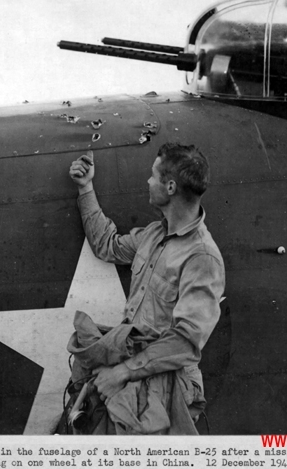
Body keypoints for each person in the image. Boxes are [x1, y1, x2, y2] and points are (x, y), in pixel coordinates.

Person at [68, 143, 225, 432]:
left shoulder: (202, 257)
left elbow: (186, 342)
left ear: (170, 187)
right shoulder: (154, 234)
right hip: (130, 381)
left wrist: (122, 373)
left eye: (153, 176)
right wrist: (85, 189)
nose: (147, 181)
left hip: (167, 388)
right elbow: (108, 245)